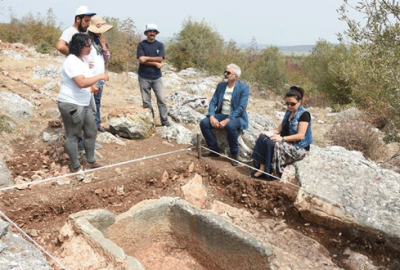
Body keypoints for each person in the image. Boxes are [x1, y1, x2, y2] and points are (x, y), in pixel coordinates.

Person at [57, 33, 109, 172]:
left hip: (84, 103)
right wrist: (100, 76)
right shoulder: (71, 61)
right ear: (79, 46)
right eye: (88, 46)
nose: (90, 49)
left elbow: (87, 81)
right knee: (73, 135)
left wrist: (94, 87)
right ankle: (76, 167)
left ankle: (90, 162)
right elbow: (80, 82)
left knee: (91, 131)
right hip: (71, 103)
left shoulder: (82, 60)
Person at [251, 86, 313, 180]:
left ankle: (271, 171)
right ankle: (262, 168)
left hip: (299, 147)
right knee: (262, 138)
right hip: (288, 142)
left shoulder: (304, 114)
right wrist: (267, 132)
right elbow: (279, 129)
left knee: (274, 144)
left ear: (299, 102)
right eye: (287, 103)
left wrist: (282, 139)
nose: (289, 106)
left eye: (292, 104)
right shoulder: (289, 112)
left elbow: (300, 136)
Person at [199, 64, 249, 167]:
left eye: (228, 73)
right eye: (225, 72)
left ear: (236, 76)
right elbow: (213, 102)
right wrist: (212, 116)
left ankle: (234, 154)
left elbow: (241, 108)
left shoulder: (244, 88)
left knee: (230, 126)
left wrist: (227, 120)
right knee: (204, 123)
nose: (225, 74)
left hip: (236, 117)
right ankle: (214, 150)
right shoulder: (221, 86)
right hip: (221, 114)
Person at [137, 23, 171, 127]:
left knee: (162, 100)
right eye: (150, 31)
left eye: (154, 31)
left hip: (157, 77)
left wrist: (146, 58)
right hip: (143, 76)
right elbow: (141, 60)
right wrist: (155, 63)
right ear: (146, 33)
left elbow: (160, 58)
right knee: (146, 102)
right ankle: (150, 122)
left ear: (156, 33)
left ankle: (164, 121)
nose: (152, 33)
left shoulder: (160, 45)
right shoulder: (141, 45)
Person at [87, 17, 113, 132]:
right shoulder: (86, 40)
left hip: (100, 76)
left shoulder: (101, 41)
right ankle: (89, 126)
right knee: (89, 103)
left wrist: (103, 46)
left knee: (97, 101)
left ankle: (97, 124)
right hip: (90, 76)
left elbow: (107, 58)